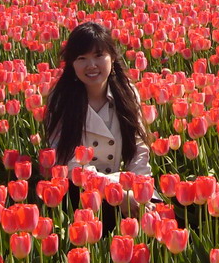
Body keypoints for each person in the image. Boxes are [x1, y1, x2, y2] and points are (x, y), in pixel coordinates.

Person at [44, 22, 151, 202]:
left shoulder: (126, 93)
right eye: (81, 58)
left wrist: (139, 190)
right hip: (80, 192)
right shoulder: (61, 99)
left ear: (113, 57)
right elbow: (70, 163)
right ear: (72, 64)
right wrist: (117, 192)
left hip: (124, 189)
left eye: (99, 55)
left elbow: (139, 148)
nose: (91, 65)